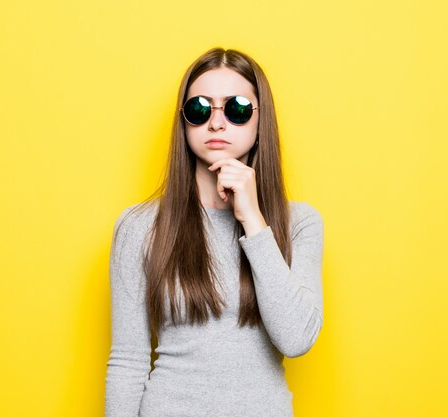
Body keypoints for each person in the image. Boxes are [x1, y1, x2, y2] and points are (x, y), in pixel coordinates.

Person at [105, 46, 324, 417]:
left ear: (259, 121)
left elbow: (297, 338)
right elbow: (128, 361)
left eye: (236, 108)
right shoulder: (139, 226)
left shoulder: (300, 223)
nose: (217, 123)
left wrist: (253, 221)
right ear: (184, 121)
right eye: (200, 109)